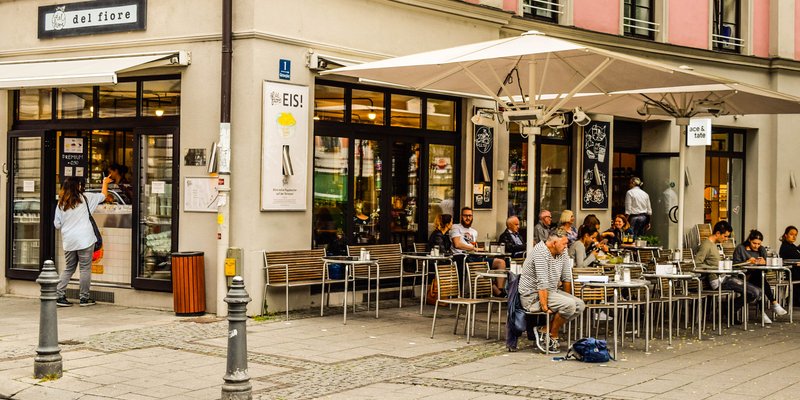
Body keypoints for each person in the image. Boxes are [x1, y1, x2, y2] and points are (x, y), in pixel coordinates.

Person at [519, 229, 586, 353]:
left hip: (551, 292)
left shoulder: (562, 252)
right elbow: (542, 282)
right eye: (564, 244)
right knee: (569, 305)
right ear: (554, 243)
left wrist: (567, 298)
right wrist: (545, 308)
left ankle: (545, 329)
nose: (566, 247)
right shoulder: (540, 252)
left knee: (579, 305)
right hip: (532, 296)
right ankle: (552, 334)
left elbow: (566, 278)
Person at [55, 176, 111, 307]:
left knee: (69, 268)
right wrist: (105, 182)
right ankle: (84, 298)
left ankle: (59, 295)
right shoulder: (86, 198)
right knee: (85, 269)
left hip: (69, 240)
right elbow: (103, 195)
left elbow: (57, 224)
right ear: (78, 186)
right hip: (85, 239)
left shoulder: (61, 203)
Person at [694, 221, 765, 324]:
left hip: (725, 277)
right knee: (755, 292)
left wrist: (744, 262)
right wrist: (715, 268)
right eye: (725, 236)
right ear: (718, 233)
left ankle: (729, 308)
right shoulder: (706, 245)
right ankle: (729, 309)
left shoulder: (714, 245)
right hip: (718, 280)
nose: (726, 239)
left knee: (758, 291)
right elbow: (697, 264)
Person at [450, 207, 506, 295]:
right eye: (465, 215)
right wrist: (474, 249)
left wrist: (481, 251)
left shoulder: (474, 232)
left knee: (501, 262)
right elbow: (457, 244)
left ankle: (500, 290)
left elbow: (473, 246)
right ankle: (498, 292)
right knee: (480, 267)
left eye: (470, 216)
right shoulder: (455, 227)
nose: (468, 218)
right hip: (461, 257)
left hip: (474, 257)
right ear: (461, 216)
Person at [733, 229, 788, 319]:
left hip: (757, 276)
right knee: (760, 279)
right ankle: (773, 303)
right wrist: (747, 262)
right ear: (749, 240)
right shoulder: (740, 248)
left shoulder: (761, 249)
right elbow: (735, 265)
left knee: (759, 278)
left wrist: (765, 262)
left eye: (759, 244)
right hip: (743, 276)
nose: (756, 246)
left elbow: (766, 269)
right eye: (754, 243)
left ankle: (764, 311)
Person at [779, 226, 800, 307]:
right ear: (786, 235)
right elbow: (795, 258)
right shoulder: (786, 247)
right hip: (792, 273)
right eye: (791, 234)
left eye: (795, 235)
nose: (794, 237)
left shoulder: (792, 246)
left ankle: (792, 299)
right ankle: (793, 300)